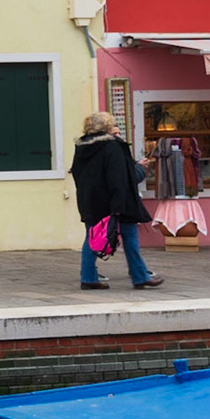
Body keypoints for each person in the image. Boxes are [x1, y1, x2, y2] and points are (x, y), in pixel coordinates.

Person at [70, 110, 163, 290]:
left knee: (92, 238)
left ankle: (88, 277)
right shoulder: (113, 146)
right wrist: (118, 204)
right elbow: (119, 177)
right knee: (130, 236)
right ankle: (140, 276)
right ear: (107, 127)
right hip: (118, 201)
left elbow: (77, 175)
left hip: (90, 201)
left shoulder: (81, 148)